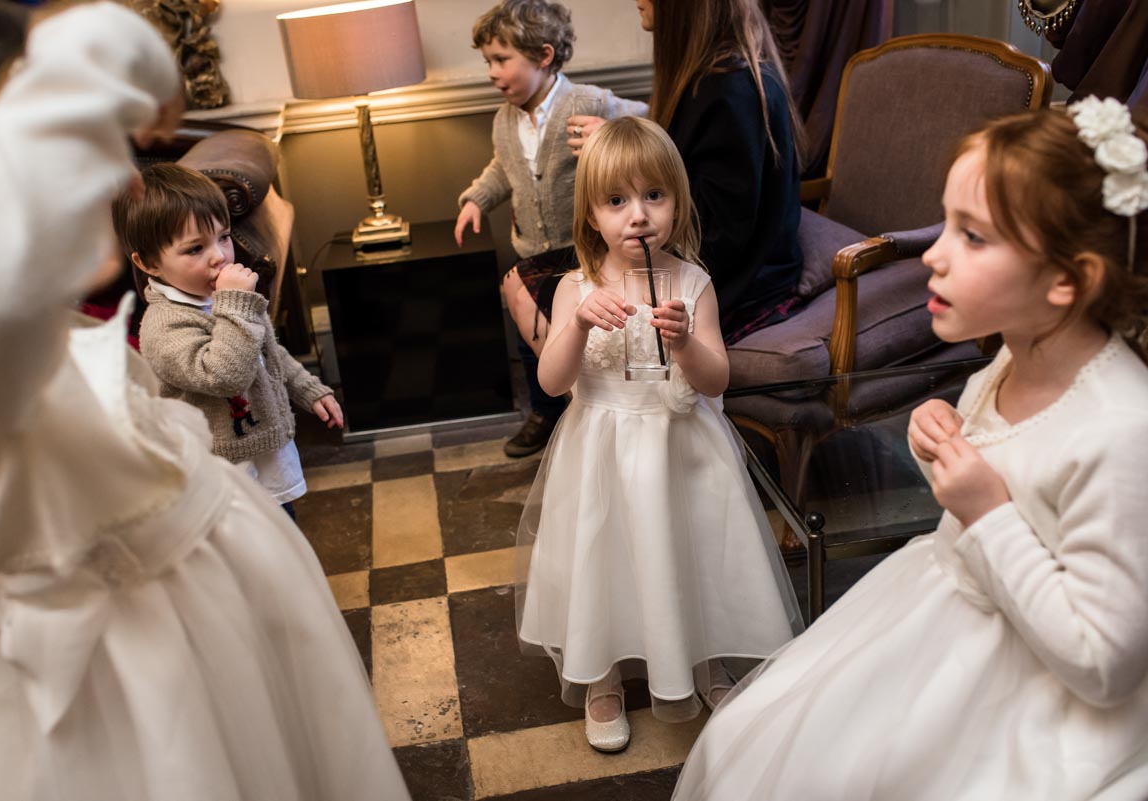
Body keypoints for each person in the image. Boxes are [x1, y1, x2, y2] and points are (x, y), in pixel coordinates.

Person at [0, 2, 410, 799]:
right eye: (84, 141)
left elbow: (270, 357)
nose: (123, 176)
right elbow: (223, 373)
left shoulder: (46, 316)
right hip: (144, 644)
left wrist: (309, 388)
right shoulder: (8, 335)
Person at [671, 100, 1148, 800]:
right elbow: (1003, 461)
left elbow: (1103, 662)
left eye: (973, 236)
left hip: (1025, 692)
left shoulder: (1121, 429)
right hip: (938, 611)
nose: (934, 254)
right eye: (946, 223)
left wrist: (989, 514)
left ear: (1066, 280)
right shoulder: (1008, 361)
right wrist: (944, 437)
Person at [515, 116, 803, 754]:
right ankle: (603, 677)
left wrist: (684, 343)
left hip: (680, 446)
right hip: (602, 447)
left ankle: (703, 660)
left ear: (678, 201)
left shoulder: (692, 284)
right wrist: (578, 327)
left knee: (688, 548)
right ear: (591, 215)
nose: (637, 216)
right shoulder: (576, 288)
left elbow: (715, 376)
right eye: (616, 201)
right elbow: (555, 378)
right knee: (604, 555)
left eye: (654, 196)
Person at [455, 0, 647, 457]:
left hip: (583, 246)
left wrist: (610, 130)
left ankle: (598, 408)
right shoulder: (505, 119)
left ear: (543, 56)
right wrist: (476, 199)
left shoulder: (587, 101)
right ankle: (546, 410)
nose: (491, 72)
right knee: (531, 333)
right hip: (533, 248)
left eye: (502, 60)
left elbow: (648, 120)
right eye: (488, 61)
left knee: (585, 329)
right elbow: (503, 168)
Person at [114, 163, 343, 519]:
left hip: (263, 451)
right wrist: (235, 306)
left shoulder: (219, 298)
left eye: (223, 236)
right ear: (149, 263)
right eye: (195, 249)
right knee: (251, 554)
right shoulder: (164, 328)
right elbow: (223, 375)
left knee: (285, 536)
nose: (220, 255)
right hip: (224, 472)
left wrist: (308, 389)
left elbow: (267, 348)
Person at [569, 0, 804, 344]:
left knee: (537, 286)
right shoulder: (708, 79)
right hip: (705, 256)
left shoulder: (728, 90)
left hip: (738, 281)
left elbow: (719, 234)